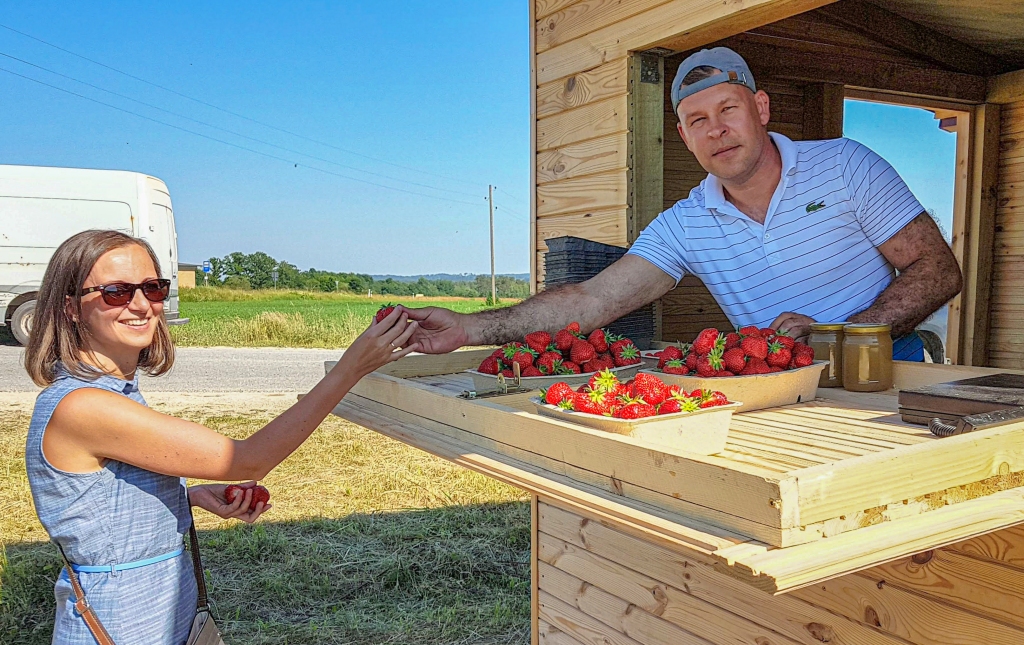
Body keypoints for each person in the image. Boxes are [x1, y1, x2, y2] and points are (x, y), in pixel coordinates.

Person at [403, 47, 962, 360]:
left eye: (729, 110)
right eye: (698, 120)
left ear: (761, 108)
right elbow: (591, 301)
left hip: (890, 372)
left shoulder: (845, 165)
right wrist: (467, 328)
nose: (716, 130)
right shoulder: (687, 224)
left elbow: (938, 270)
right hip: (782, 386)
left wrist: (837, 335)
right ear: (684, 136)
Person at [24, 229, 419, 645]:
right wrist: (349, 369)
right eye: (116, 292)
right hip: (123, 623)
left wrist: (184, 498)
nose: (141, 305)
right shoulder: (84, 407)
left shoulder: (111, 392)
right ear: (70, 307)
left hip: (151, 617)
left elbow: (95, 506)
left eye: (153, 288)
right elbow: (248, 459)